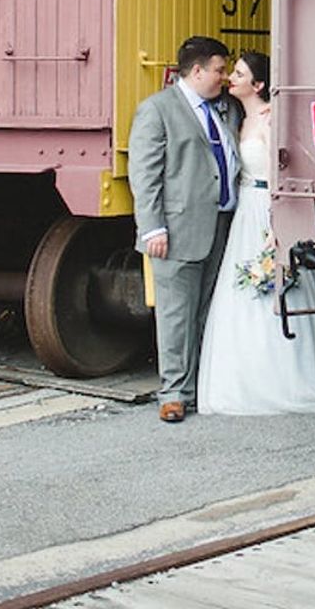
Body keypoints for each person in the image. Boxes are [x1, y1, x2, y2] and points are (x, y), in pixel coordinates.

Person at [197, 51, 315, 415]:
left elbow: (286, 175)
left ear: (258, 85)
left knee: (279, 285)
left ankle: (288, 379)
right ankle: (243, 379)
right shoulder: (234, 116)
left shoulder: (273, 121)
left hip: (267, 209)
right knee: (239, 295)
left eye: (239, 74)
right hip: (244, 209)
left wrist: (281, 227)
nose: (231, 79)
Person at [128, 36, 241, 422]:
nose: (224, 78)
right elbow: (144, 175)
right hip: (175, 230)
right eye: (219, 70)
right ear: (196, 71)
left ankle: (200, 386)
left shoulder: (226, 110)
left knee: (208, 310)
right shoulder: (157, 110)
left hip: (222, 224)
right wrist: (152, 228)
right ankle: (173, 393)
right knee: (176, 314)